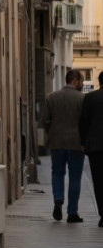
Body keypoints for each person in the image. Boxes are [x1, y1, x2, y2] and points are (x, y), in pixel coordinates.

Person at [43, 71, 86, 223]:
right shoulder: (82, 98)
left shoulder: (51, 97)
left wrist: (52, 132)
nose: (82, 85)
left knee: (57, 172)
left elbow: (45, 120)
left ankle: (58, 200)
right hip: (76, 143)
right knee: (75, 177)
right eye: (81, 81)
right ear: (74, 81)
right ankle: (72, 212)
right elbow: (85, 122)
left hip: (56, 142)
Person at [81, 74, 103, 228]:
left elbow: (83, 122)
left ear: (99, 82)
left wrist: (83, 143)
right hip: (95, 145)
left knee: (99, 181)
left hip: (96, 147)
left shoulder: (90, 98)